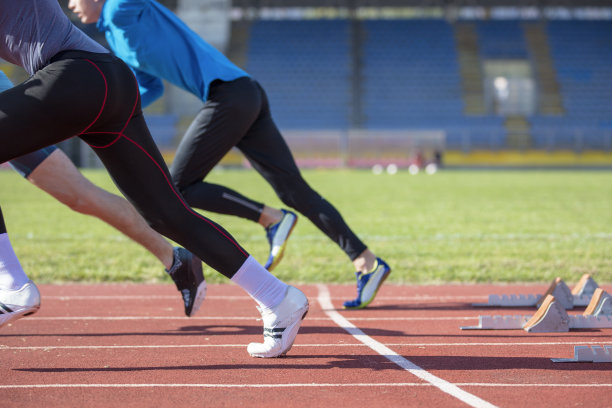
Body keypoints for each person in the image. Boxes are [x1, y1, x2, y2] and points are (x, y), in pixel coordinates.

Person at [0, 0, 307, 358]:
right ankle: (278, 298)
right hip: (107, 84)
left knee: (167, 211)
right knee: (165, 214)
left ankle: (10, 285)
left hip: (79, 76)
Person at [68, 0, 392, 309]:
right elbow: (150, 86)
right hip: (243, 94)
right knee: (293, 190)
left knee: (179, 187)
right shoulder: (114, 36)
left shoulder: (121, 7)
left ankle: (270, 217)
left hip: (229, 95)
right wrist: (107, 112)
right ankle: (366, 261)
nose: (70, 6)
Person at [0, 69, 207, 318]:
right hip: (15, 111)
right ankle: (175, 258)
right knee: (80, 196)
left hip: (10, 114)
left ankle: (13, 284)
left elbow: (153, 86)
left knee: (81, 194)